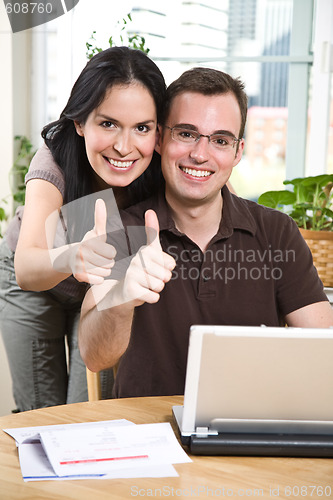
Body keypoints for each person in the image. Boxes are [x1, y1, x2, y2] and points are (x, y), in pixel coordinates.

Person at [78, 66, 333, 399]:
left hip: (247, 433)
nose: (200, 154)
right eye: (186, 133)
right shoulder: (120, 229)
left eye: (220, 140)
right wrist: (123, 296)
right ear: (159, 140)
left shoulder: (276, 232)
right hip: (147, 435)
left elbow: (323, 350)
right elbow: (95, 357)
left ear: (238, 152)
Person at [0, 46, 166, 411]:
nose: (124, 147)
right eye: (108, 124)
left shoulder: (162, 162)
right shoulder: (57, 154)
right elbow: (28, 267)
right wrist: (74, 255)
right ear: (79, 122)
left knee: (84, 412)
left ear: (158, 131)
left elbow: (222, 198)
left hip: (101, 284)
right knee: (41, 414)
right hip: (37, 281)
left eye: (142, 128)